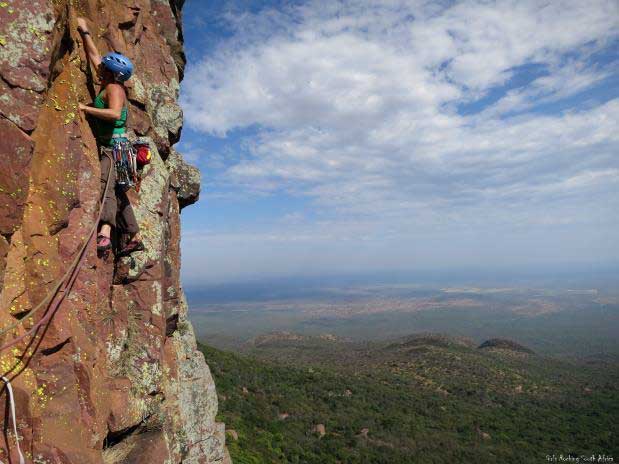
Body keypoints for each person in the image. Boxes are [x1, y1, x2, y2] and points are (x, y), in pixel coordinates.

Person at [76, 17, 144, 256]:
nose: (100, 66)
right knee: (118, 190)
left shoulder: (114, 89)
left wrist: (86, 109)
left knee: (108, 186)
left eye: (105, 66)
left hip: (115, 148)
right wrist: (85, 32)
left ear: (111, 72)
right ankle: (134, 234)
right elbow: (94, 57)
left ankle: (105, 233)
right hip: (122, 148)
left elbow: (114, 114)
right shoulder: (109, 82)